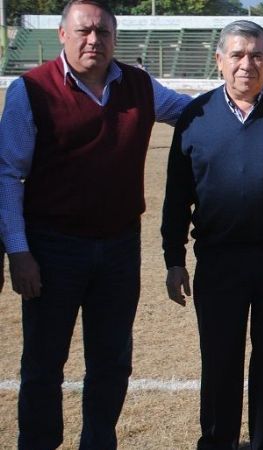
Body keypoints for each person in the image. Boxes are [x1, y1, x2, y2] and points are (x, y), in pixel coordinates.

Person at [0, 0, 191, 447]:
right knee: (44, 364)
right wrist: (18, 250)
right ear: (61, 35)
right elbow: (8, 172)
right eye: (84, 31)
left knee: (112, 362)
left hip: (120, 249)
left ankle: (98, 442)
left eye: (103, 32)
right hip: (51, 250)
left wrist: (246, 101)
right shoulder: (31, 91)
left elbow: (190, 111)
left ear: (115, 38)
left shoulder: (139, 85)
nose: (94, 40)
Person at [161, 20, 263, 449]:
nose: (246, 64)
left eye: (256, 55)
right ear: (219, 61)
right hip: (219, 260)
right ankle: (217, 442)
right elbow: (177, 194)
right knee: (220, 362)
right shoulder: (195, 115)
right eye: (236, 55)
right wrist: (174, 258)